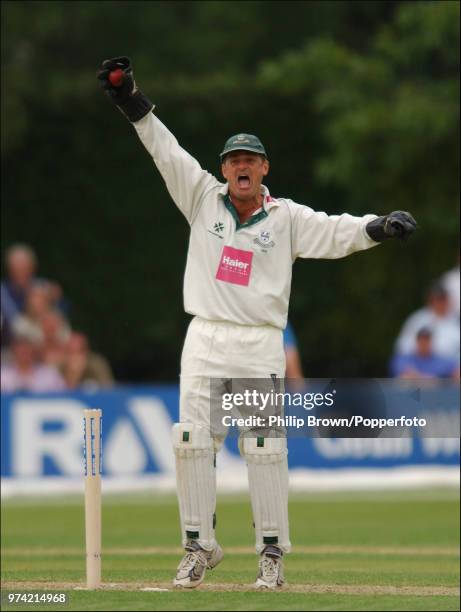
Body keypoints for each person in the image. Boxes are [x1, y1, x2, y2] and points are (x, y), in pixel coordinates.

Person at [97, 56, 417, 589]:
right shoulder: (202, 199)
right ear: (224, 169)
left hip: (258, 346)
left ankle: (271, 555)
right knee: (192, 441)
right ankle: (199, 547)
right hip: (204, 338)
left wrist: (377, 227)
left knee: (265, 448)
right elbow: (165, 151)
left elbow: (336, 231)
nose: (241, 166)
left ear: (264, 168)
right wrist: (131, 100)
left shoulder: (287, 217)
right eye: (233, 159)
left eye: (250, 159)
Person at [394, 283, 459, 363]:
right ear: (430, 300)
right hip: (421, 363)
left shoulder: (455, 321)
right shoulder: (418, 319)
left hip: (450, 366)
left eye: (443, 299)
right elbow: (403, 346)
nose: (440, 303)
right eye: (437, 299)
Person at [1, 334, 66, 393]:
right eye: (20, 349)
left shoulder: (49, 375)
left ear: (33, 351)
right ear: (14, 351)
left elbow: (64, 395)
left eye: (27, 348)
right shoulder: (3, 376)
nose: (23, 352)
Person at [390, 327, 459, 379]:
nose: (424, 344)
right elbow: (405, 373)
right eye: (422, 341)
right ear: (417, 342)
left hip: (435, 395)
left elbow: (455, 370)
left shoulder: (440, 360)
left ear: (431, 342)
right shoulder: (404, 359)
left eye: (427, 341)